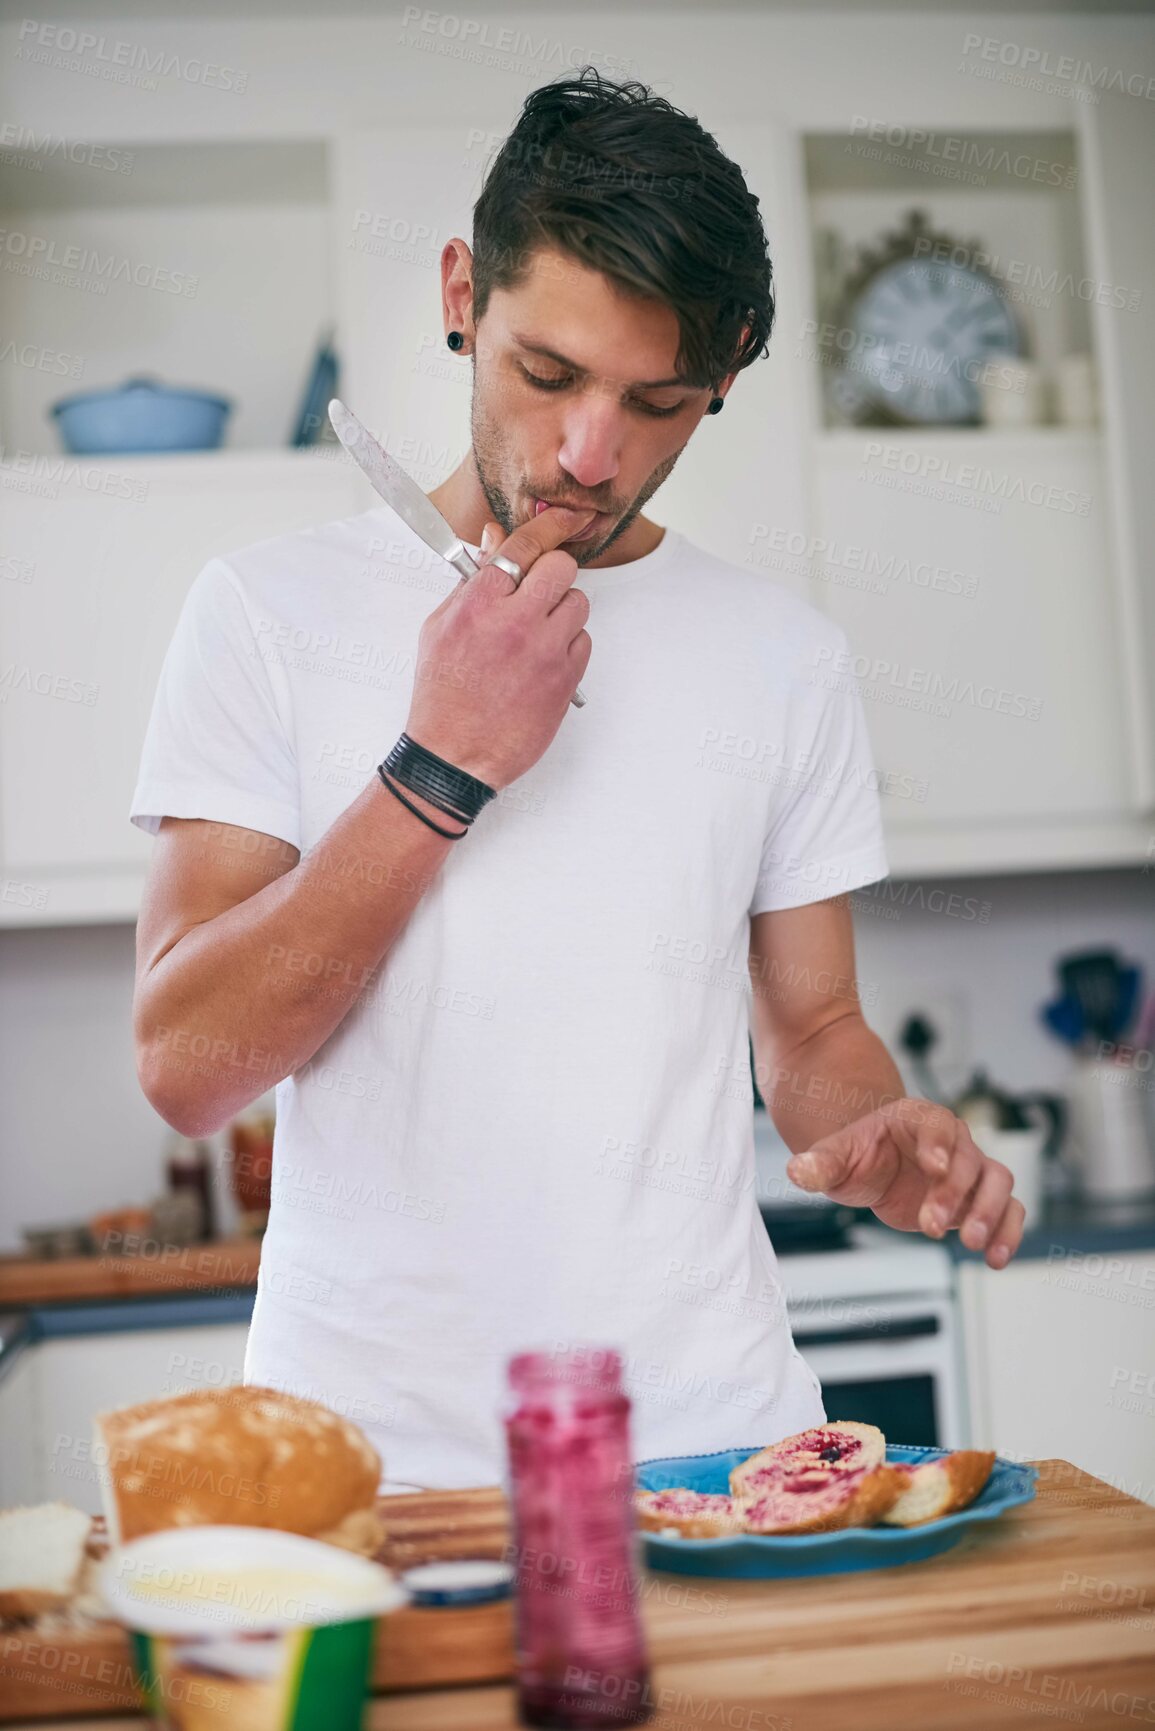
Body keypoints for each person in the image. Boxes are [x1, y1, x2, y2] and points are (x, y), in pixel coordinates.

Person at [130, 68, 1023, 1487]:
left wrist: (877, 1131)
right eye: (545, 375)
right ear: (460, 299)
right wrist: (443, 762)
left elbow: (813, 1034)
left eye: (656, 400)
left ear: (725, 373)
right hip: (373, 1472)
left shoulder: (785, 661)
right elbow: (186, 1068)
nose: (589, 454)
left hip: (716, 1454)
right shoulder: (262, 614)